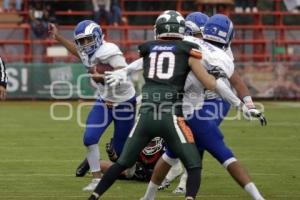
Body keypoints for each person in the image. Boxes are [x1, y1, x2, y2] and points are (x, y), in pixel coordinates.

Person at [88, 10, 253, 200]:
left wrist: (124, 74)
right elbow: (213, 84)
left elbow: (140, 65)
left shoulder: (152, 48)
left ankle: (97, 196)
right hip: (174, 115)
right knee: (194, 162)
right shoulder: (189, 51)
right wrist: (240, 105)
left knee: (124, 161)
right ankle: (185, 192)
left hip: (149, 114)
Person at [144, 13, 267, 200]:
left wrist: (244, 104)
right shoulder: (192, 45)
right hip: (193, 99)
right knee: (190, 144)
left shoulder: (218, 53)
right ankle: (177, 188)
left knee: (198, 139)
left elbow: (227, 83)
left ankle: (180, 185)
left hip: (213, 100)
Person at [48, 20, 136, 191]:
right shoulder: (86, 51)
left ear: (97, 36)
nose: (84, 44)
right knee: (89, 138)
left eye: (87, 40)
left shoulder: (109, 51)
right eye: (81, 41)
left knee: (119, 151)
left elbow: (125, 74)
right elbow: (78, 53)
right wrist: (58, 37)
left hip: (124, 102)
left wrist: (101, 78)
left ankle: (132, 164)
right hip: (104, 100)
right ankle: (96, 179)